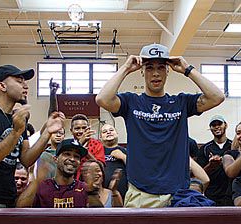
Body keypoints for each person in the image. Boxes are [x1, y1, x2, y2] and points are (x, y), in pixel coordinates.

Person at [95, 43, 225, 207]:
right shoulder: (132, 102)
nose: (155, 73)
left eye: (161, 67)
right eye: (149, 67)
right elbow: (102, 99)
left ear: (168, 70)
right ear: (142, 70)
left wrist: (187, 69)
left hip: (176, 193)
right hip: (141, 193)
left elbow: (217, 97)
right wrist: (126, 68)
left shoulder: (181, 102)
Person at [0, 64, 64, 208]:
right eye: (19, 80)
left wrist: (47, 132)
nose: (25, 85)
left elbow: (26, 159)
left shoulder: (16, 119)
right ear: (2, 86)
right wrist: (16, 131)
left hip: (8, 200)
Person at [16, 139, 89, 208]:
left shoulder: (84, 188)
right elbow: (20, 207)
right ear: (55, 159)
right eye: (67, 154)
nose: (72, 159)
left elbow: (98, 213)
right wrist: (37, 181)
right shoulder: (41, 187)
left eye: (76, 156)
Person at [197, 114, 232, 206]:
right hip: (211, 193)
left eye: (219, 124)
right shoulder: (204, 148)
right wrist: (211, 165)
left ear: (226, 125)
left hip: (230, 193)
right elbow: (199, 174)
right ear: (210, 128)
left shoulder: (233, 146)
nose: (217, 127)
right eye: (213, 125)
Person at [70, 113, 105, 179]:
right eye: (77, 128)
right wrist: (79, 144)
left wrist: (84, 151)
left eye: (84, 128)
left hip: (92, 182)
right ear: (71, 131)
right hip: (73, 183)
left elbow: (100, 167)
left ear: (88, 129)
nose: (81, 131)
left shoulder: (97, 144)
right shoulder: (68, 144)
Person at [100, 123, 128, 198]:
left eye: (111, 130)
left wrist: (123, 157)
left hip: (123, 194)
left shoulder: (126, 151)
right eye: (104, 132)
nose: (108, 132)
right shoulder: (98, 152)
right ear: (101, 137)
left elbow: (135, 170)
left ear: (117, 133)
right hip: (102, 196)